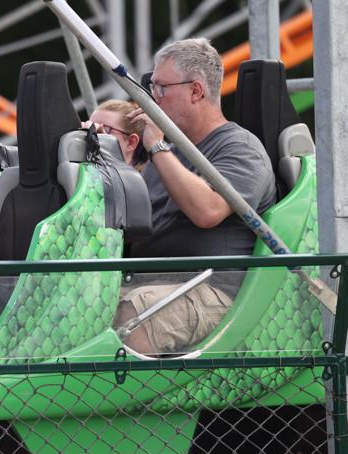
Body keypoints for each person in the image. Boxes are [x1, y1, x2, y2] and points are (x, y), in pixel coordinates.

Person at [115, 38, 276, 355]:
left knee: (135, 313)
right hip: (156, 282)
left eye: (161, 88)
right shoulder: (170, 155)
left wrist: (157, 146)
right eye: (152, 87)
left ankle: (135, 405)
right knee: (83, 301)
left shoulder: (241, 149)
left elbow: (207, 210)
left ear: (196, 91)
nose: (152, 99)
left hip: (214, 291)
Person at [82, 99, 148, 170]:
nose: (92, 136)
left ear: (131, 142)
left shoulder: (143, 179)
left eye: (105, 129)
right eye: (91, 128)